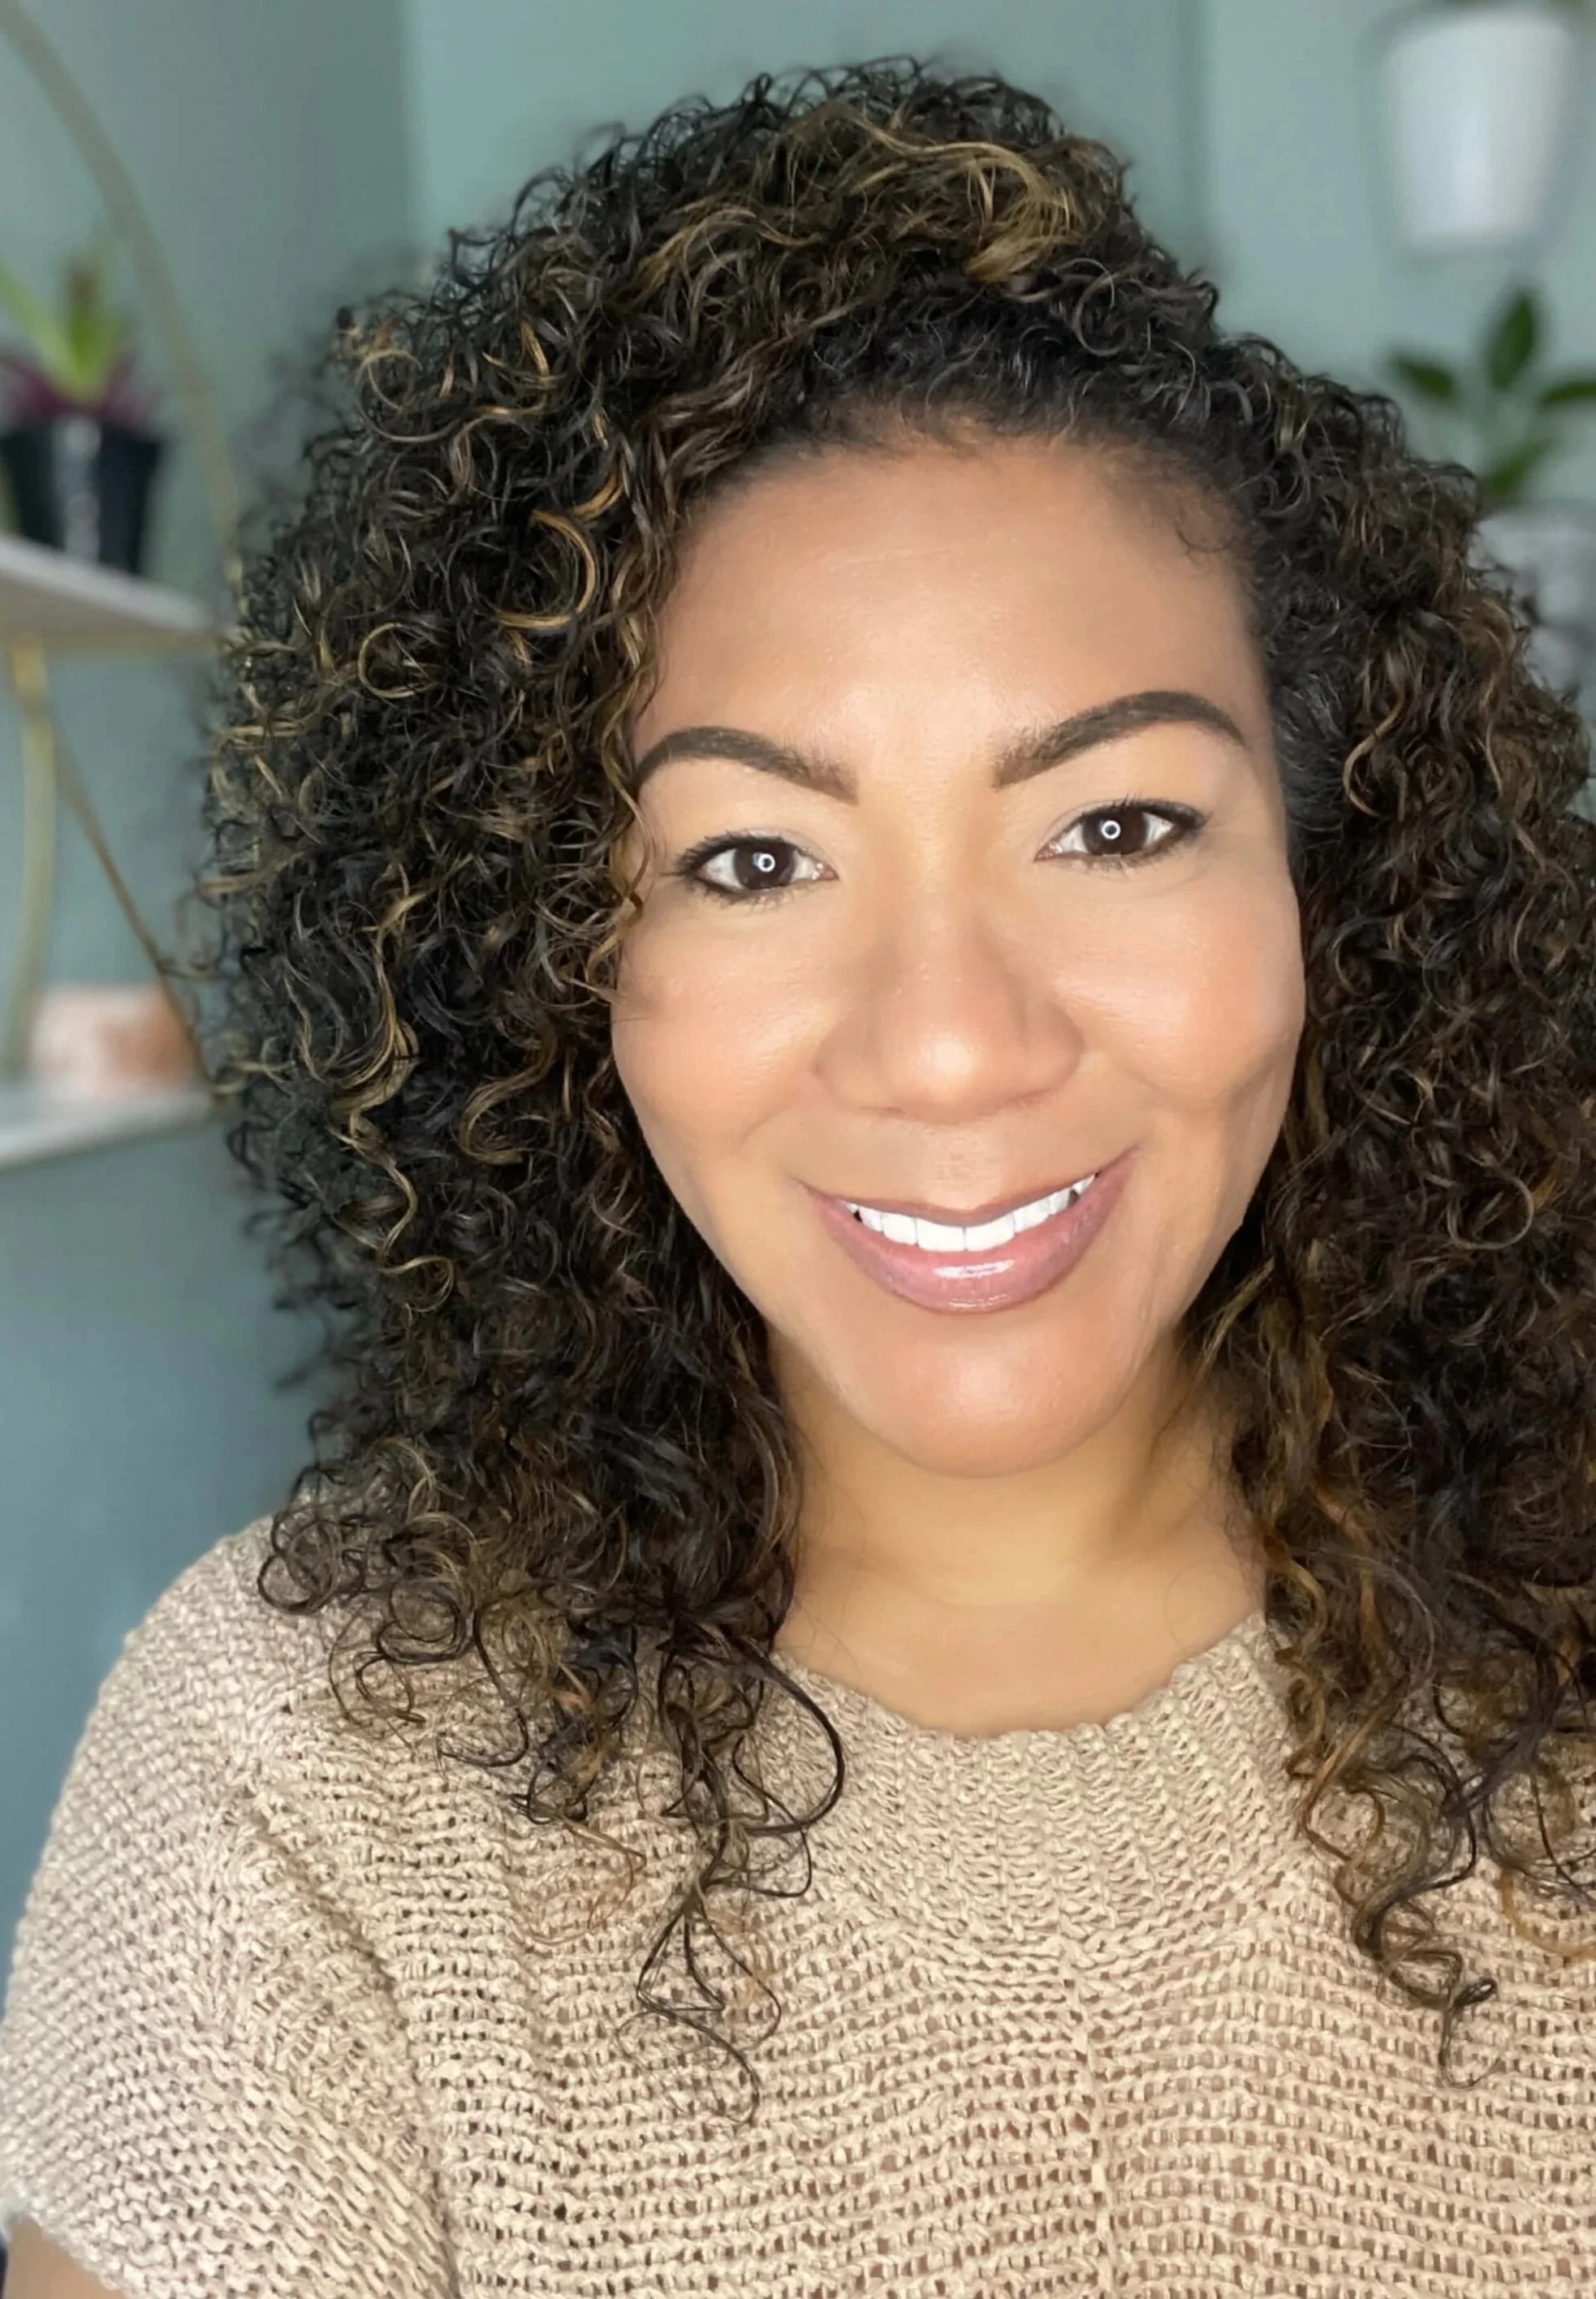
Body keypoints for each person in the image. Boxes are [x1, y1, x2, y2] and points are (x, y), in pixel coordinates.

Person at [3, 56, 1596, 2299]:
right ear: (556, 961)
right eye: (750, 859)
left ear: (1332, 888)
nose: (947, 1041)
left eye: (1114, 824)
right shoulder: (303, 1764)